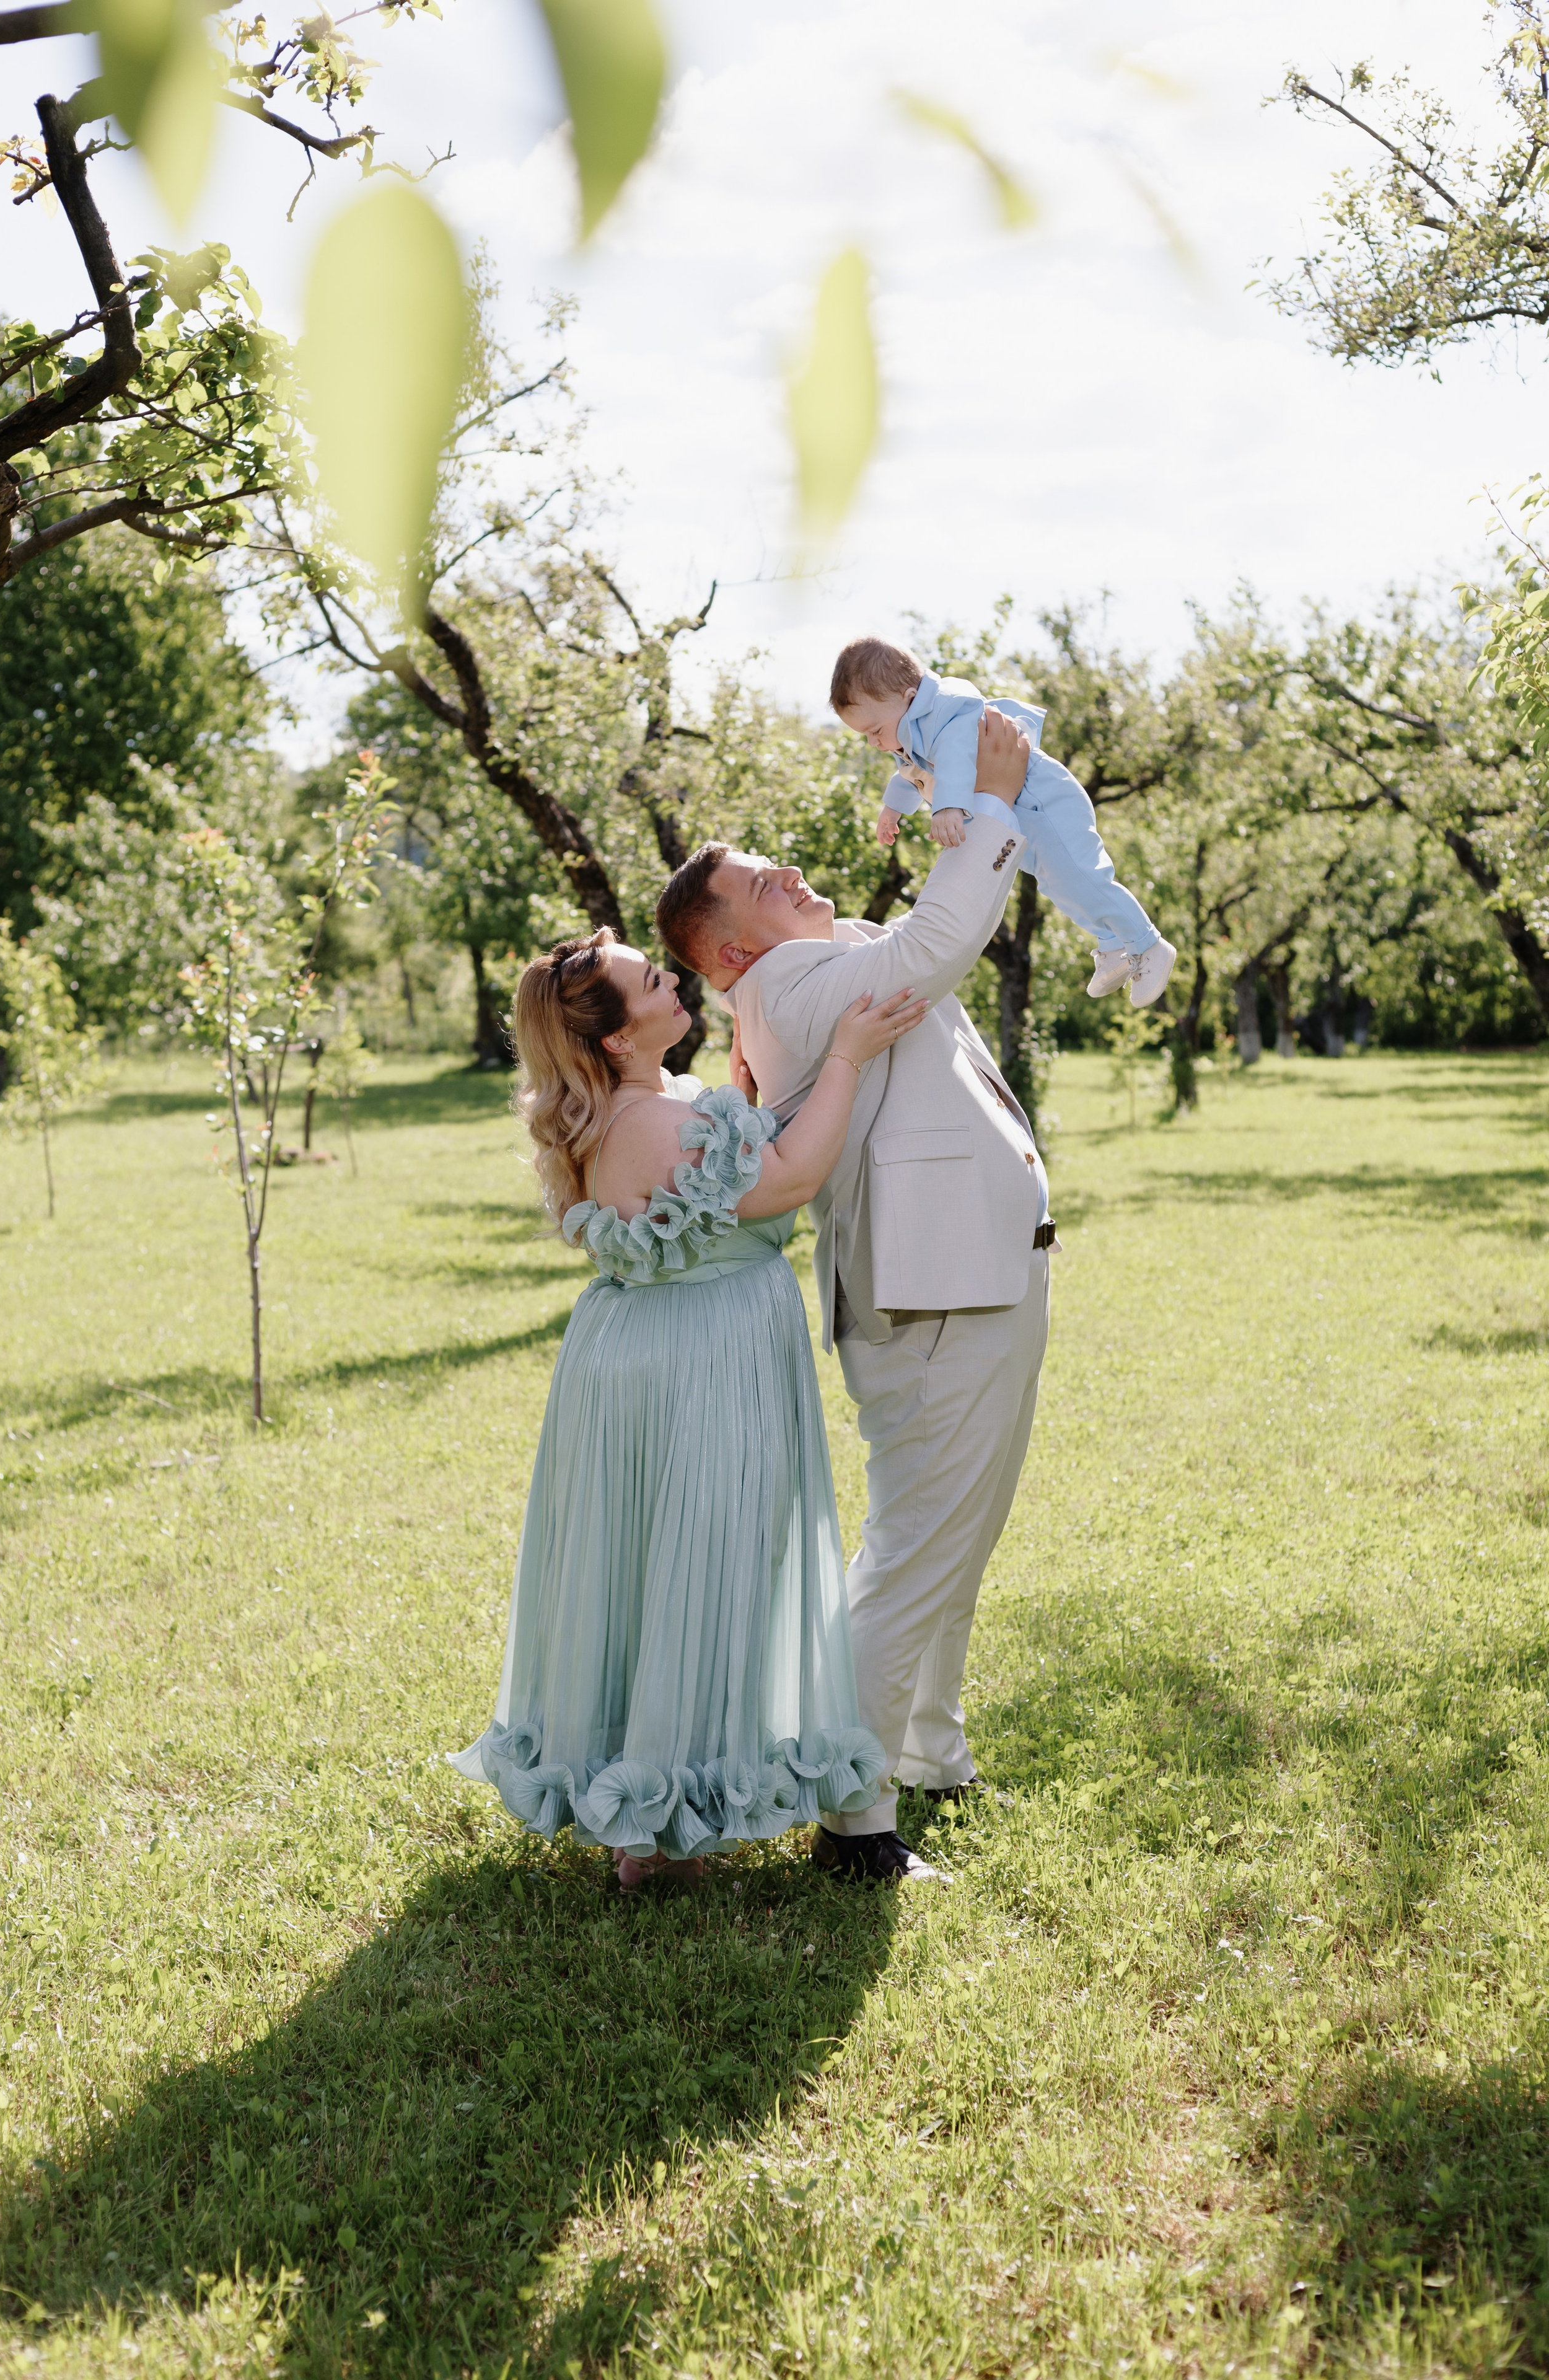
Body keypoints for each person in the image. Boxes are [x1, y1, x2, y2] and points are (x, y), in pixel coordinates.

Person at [655, 708, 1051, 1887]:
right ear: (731, 955)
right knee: (920, 1546)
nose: (788, 871)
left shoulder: (817, 961)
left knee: (957, 1533)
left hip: (972, 1277)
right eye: (757, 884)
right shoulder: (789, 987)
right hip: (937, 1293)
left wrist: (938, 796)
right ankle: (855, 1821)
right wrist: (987, 806)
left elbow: (918, 939)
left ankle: (927, 1750)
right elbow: (936, 945)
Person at [449, 928, 929, 1890]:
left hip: (652, 1352)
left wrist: (748, 1096)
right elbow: (788, 1181)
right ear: (618, 1040)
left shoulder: (652, 1106)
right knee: (706, 1564)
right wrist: (843, 1057)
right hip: (701, 1359)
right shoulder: (650, 1121)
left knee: (658, 1566)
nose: (675, 985)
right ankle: (659, 1829)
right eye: (654, 982)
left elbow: (715, 1185)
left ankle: (654, 1807)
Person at [831, 633, 1178, 1011]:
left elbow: (957, 755)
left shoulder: (948, 711)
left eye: (875, 731)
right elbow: (910, 774)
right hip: (1021, 811)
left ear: (910, 699)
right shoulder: (911, 734)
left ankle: (1147, 944)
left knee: (1084, 875)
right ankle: (1113, 944)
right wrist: (893, 808)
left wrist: (948, 807)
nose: (874, 743)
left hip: (1043, 800)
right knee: (1057, 882)